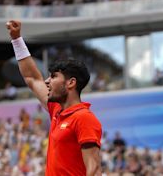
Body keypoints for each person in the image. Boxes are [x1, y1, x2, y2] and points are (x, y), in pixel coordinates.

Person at [6, 20, 102, 175]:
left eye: (53, 77)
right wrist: (16, 39)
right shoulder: (57, 111)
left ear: (71, 83)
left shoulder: (84, 118)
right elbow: (32, 78)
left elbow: (94, 168)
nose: (46, 81)